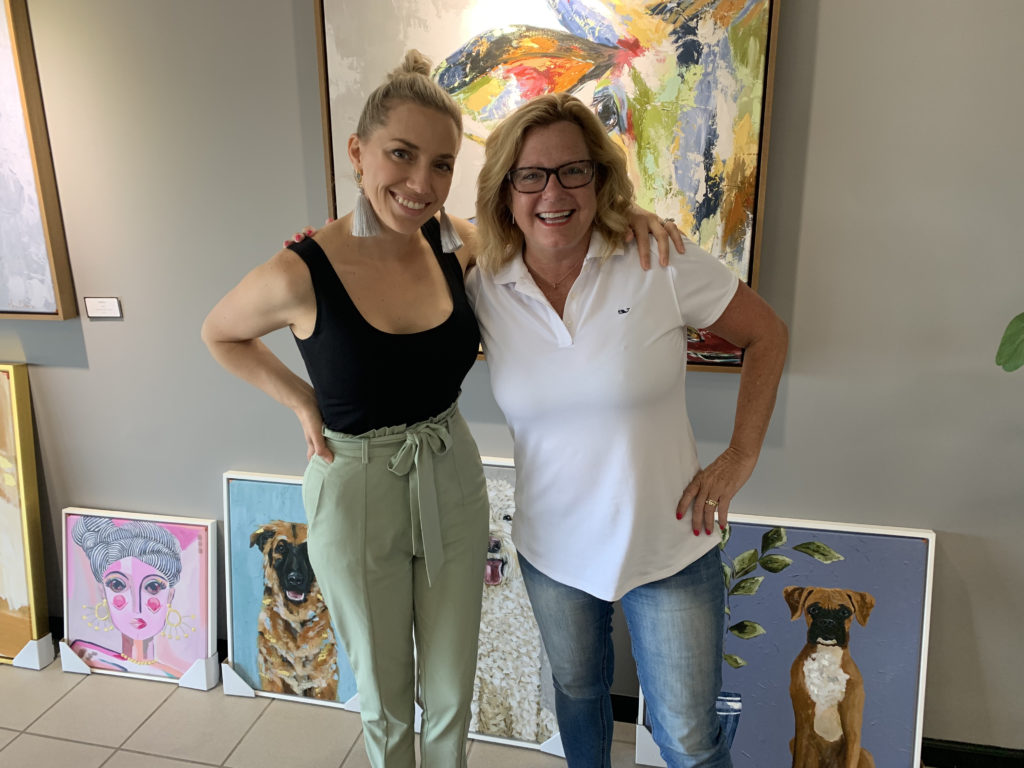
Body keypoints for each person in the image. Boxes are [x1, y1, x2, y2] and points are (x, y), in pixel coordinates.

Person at [202, 52, 679, 768]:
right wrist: (302, 403)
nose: (421, 184)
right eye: (401, 155)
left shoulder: (451, 240)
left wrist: (623, 212)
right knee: (387, 699)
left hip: (450, 473)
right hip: (356, 484)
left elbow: (547, 227)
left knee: (455, 685)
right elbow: (220, 332)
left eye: (442, 164)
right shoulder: (300, 270)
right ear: (358, 153)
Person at [467, 92, 788, 768]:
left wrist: (741, 456)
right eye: (531, 175)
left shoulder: (658, 261)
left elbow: (767, 335)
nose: (553, 192)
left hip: (669, 545)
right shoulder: (483, 282)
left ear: (599, 178)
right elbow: (407, 236)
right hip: (552, 548)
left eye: (572, 171)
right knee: (579, 695)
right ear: (505, 189)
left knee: (688, 738)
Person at [70, 516, 187, 678]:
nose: (136, 607)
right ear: (103, 592)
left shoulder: (178, 675)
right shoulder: (84, 655)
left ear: (170, 596)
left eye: (153, 587)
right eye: (118, 585)